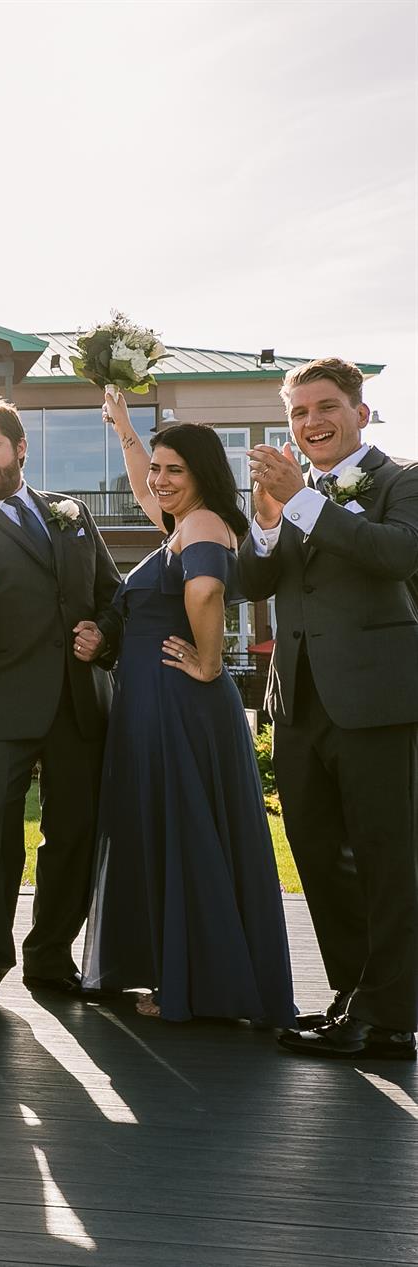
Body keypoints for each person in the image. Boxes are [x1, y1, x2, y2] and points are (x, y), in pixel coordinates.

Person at [83, 399, 294, 1025]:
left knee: (182, 828)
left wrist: (208, 660)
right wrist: (126, 430)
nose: (159, 480)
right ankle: (194, 975)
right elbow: (143, 486)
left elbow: (205, 590)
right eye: (158, 468)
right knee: (176, 826)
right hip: (160, 697)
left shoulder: (201, 524)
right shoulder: (184, 522)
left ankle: (195, 987)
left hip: (177, 697)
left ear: (203, 473)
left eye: (175, 469)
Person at [240, 358, 417, 1061]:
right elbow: (254, 580)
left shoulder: (402, 480)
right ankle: (352, 997)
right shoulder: (294, 495)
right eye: (298, 412)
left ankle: (392, 1017)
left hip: (378, 702)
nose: (310, 422)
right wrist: (265, 521)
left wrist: (303, 504)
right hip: (298, 702)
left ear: (360, 413)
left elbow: (397, 554)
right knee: (318, 855)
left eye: (325, 407)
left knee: (386, 859)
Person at [0, 395, 123, 1014]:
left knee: (73, 834)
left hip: (77, 701)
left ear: (20, 449)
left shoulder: (71, 513)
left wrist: (104, 635)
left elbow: (112, 593)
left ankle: (50, 955)